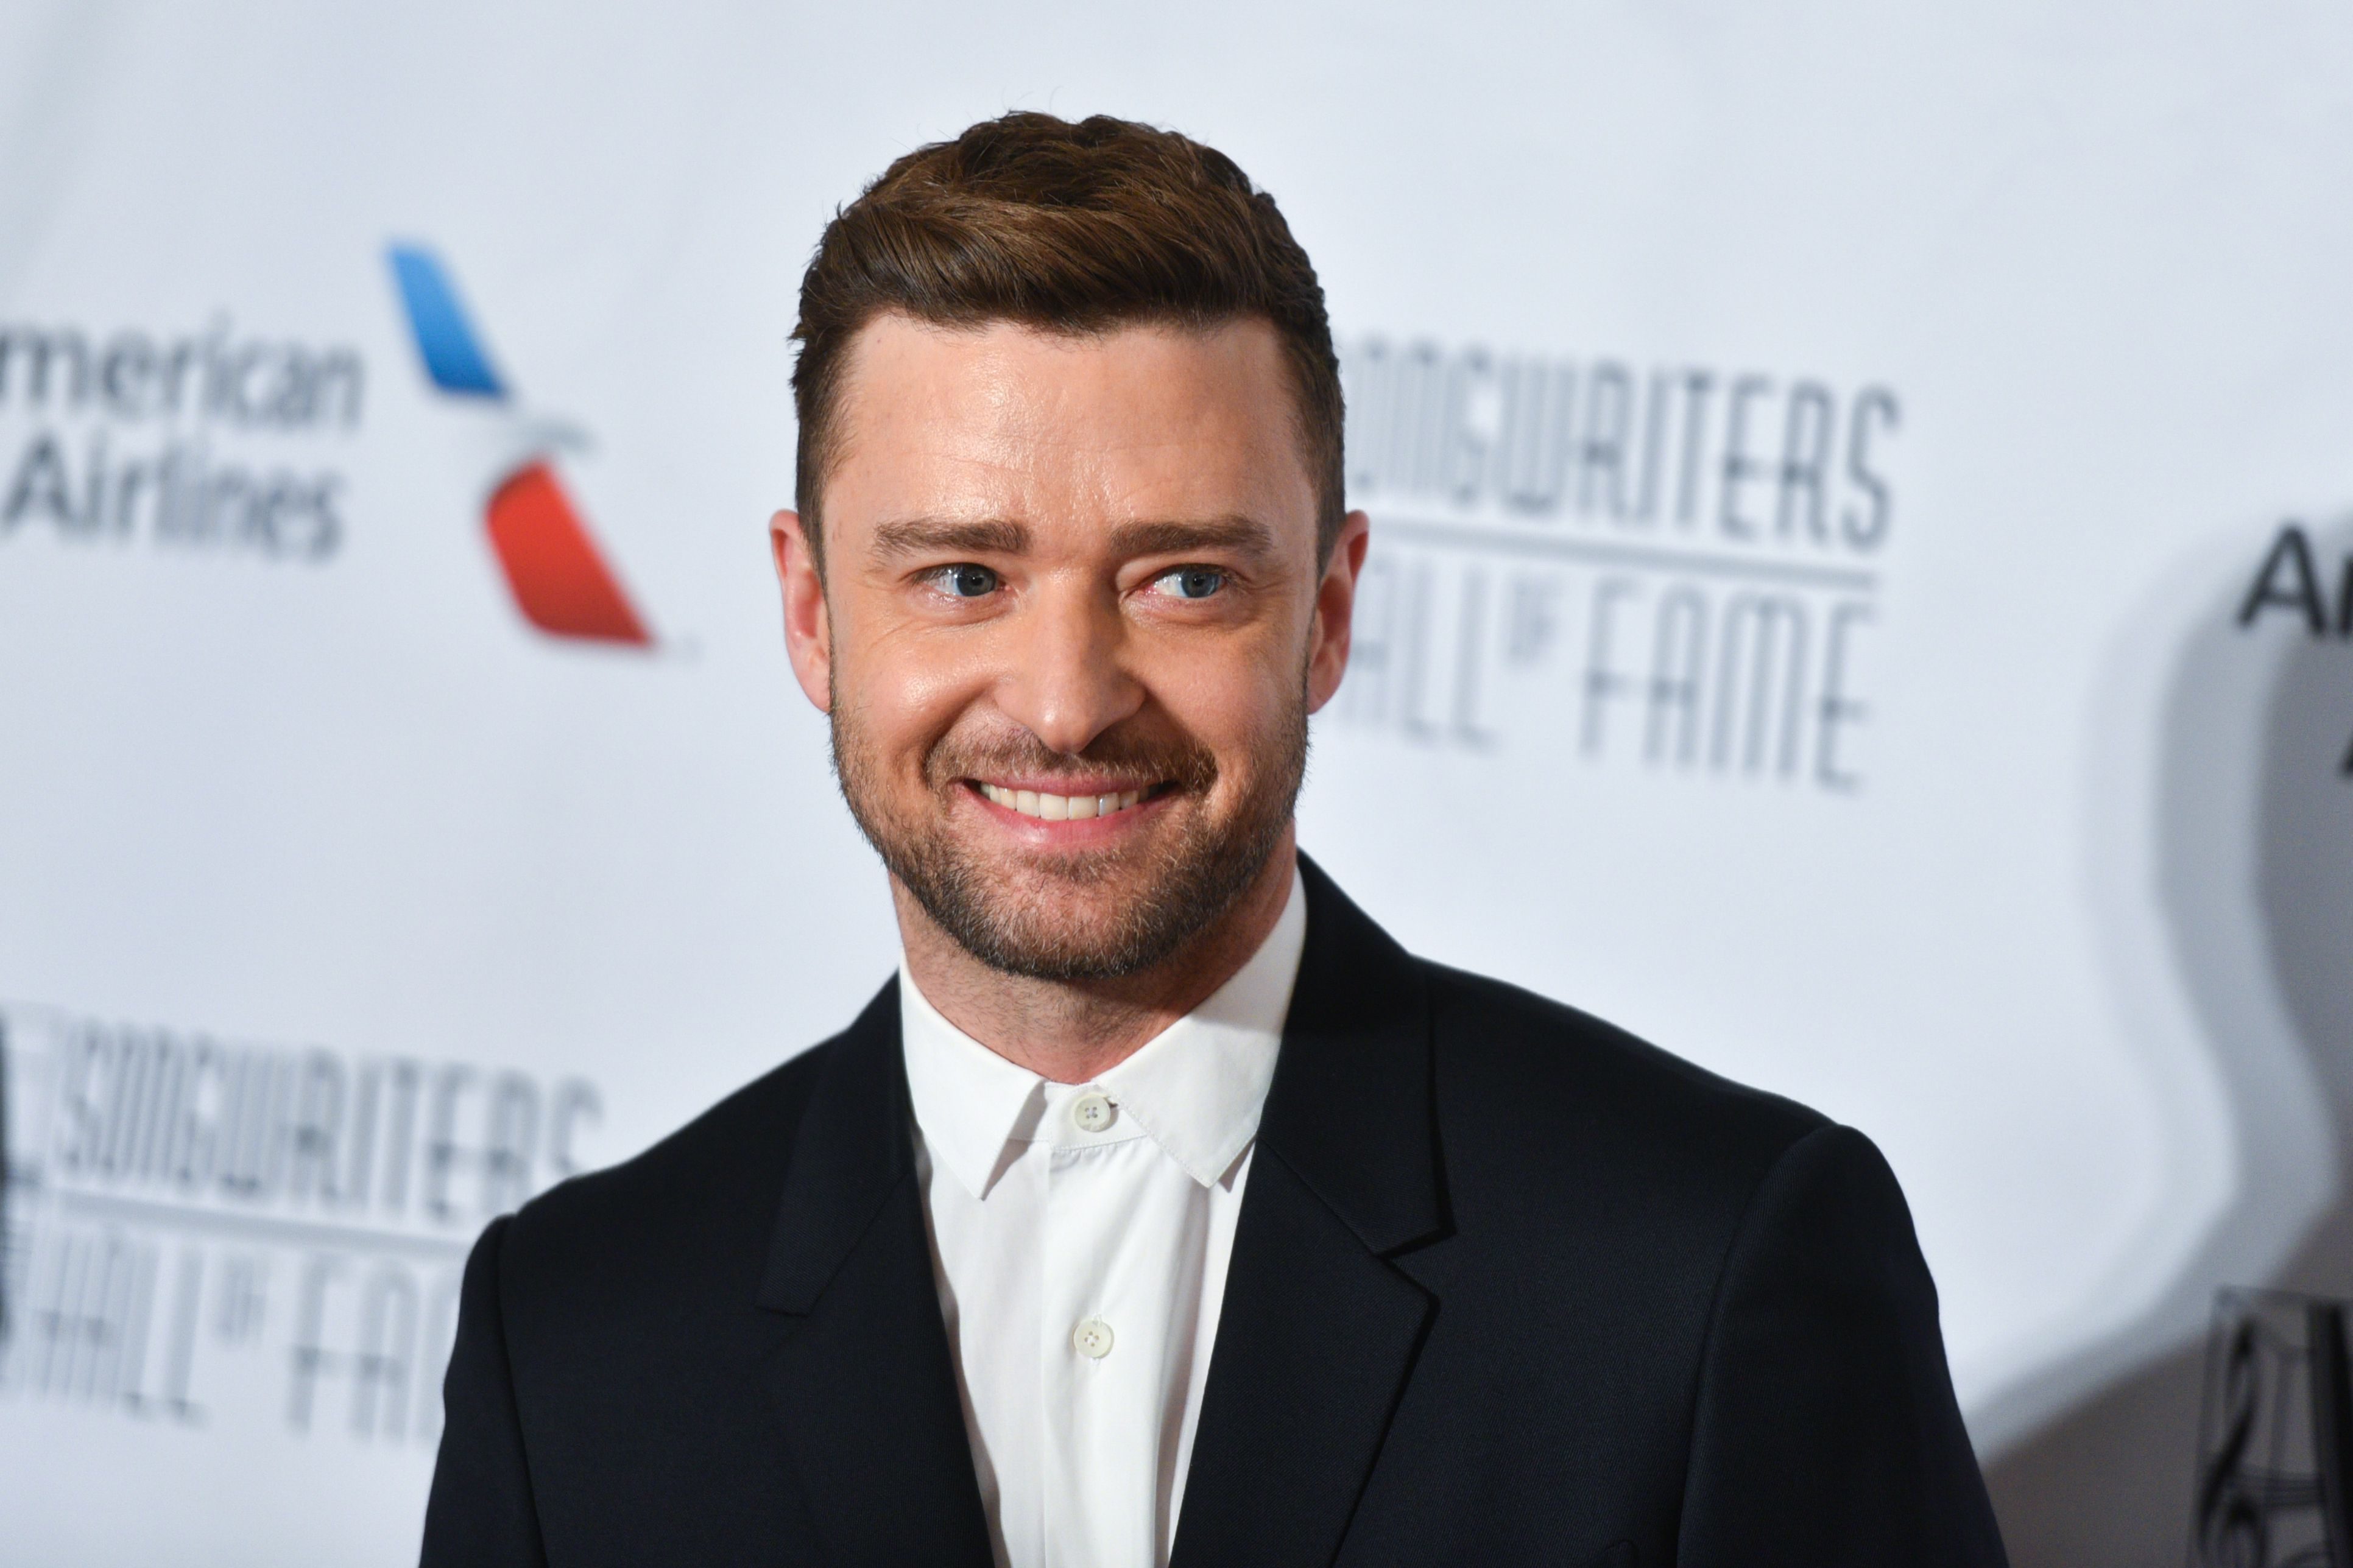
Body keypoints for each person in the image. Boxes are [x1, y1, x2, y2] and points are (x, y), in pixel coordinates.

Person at [420, 111, 2008, 1568]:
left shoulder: (1706, 1268)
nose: (1063, 706)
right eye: (964, 576)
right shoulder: (572, 1342)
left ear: (1324, 612)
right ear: (812, 612)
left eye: (1182, 580)